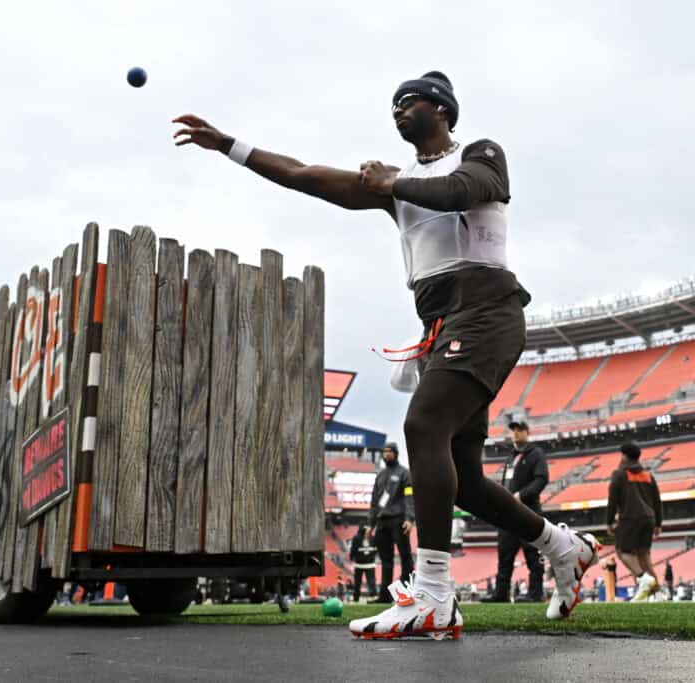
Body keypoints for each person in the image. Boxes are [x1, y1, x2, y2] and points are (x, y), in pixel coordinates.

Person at [173, 70, 599, 640]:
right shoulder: (397, 186)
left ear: (442, 109)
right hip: (442, 320)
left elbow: (463, 191)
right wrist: (230, 146)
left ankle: (434, 594)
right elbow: (304, 175)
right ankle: (562, 546)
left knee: (422, 426)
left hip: (487, 310)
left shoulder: (479, 153)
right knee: (466, 480)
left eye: (411, 100)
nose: (399, 108)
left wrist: (390, 183)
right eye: (393, 103)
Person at [483, 421, 548, 603]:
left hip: (528, 512)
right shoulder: (511, 457)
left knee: (533, 555)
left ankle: (535, 593)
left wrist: (522, 495)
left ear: (527, 432)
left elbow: (541, 479)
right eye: (513, 430)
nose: (516, 434)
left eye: (520, 430)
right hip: (508, 515)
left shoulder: (536, 454)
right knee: (505, 554)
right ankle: (500, 593)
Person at [606, 442, 663, 602]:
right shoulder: (648, 475)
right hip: (649, 519)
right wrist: (658, 523)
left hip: (630, 518)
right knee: (644, 555)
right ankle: (657, 594)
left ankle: (642, 578)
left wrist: (609, 521)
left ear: (624, 456)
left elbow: (612, 500)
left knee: (622, 552)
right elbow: (657, 501)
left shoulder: (619, 474)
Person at [365, 444, 414, 602]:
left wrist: (409, 518)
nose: (386, 455)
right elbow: (374, 502)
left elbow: (409, 497)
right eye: (384, 452)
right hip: (382, 522)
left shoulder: (404, 474)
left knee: (405, 556)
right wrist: (370, 524)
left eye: (389, 452)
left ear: (396, 454)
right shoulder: (380, 476)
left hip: (399, 520)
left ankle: (407, 592)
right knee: (386, 560)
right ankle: (384, 596)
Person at [349, 525, 378, 602]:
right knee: (370, 581)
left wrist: (351, 558)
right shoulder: (372, 537)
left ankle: (356, 598)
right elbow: (376, 549)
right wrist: (372, 556)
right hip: (368, 564)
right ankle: (373, 596)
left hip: (361, 564)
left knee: (360, 582)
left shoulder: (357, 538)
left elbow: (353, 550)